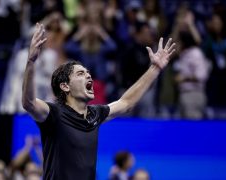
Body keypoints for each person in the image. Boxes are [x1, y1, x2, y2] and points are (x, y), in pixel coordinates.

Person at [22, 23, 175, 179]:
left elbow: (126, 102)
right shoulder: (54, 114)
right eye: (81, 73)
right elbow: (29, 103)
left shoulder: (95, 114)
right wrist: (31, 62)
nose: (89, 76)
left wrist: (154, 68)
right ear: (65, 86)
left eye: (88, 73)